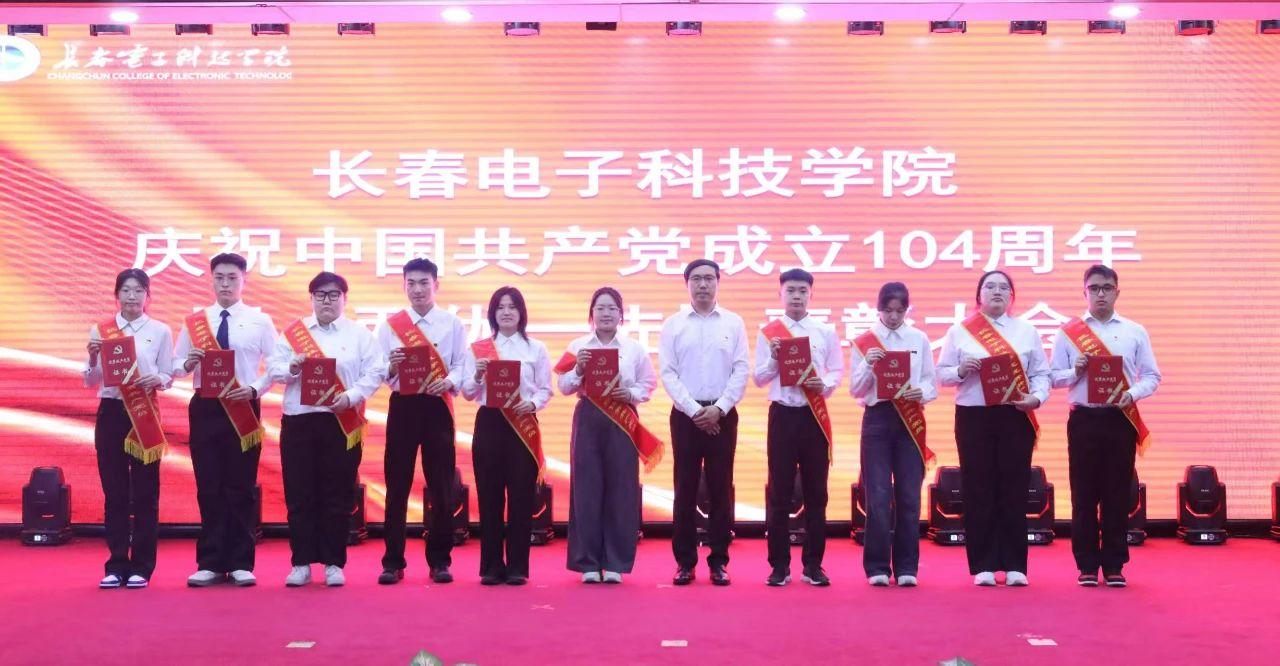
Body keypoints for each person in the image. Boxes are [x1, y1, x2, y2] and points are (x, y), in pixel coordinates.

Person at [268, 272, 385, 587]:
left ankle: (334, 562)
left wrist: (351, 396)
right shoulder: (294, 333)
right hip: (300, 420)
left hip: (341, 422)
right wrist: (292, 368)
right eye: (320, 295)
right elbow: (274, 370)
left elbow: (375, 371)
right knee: (299, 493)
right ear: (312, 298)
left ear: (344, 299)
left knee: (338, 493)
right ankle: (301, 562)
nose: (327, 300)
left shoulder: (359, 335)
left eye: (334, 295)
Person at [1050, 265, 1161, 588]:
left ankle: (1114, 565)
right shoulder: (1068, 332)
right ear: (1084, 292)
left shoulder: (1134, 331)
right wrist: (1075, 371)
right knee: (1083, 495)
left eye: (1107, 288)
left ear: (1117, 292)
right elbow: (1053, 377)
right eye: (1094, 288)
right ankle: (1086, 565)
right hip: (1083, 419)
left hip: (1119, 418)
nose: (1101, 294)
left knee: (1117, 494)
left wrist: (1131, 394)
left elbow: (1151, 376)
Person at [937, 270, 1050, 587]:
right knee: (978, 488)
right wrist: (961, 370)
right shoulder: (960, 331)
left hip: (1015, 414)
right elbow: (942, 374)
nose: (997, 291)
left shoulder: (1026, 331)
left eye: (1003, 287)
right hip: (973, 416)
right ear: (979, 295)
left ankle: (1015, 565)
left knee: (1014, 488)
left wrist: (1036, 398)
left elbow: (1041, 374)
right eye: (990, 286)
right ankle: (983, 564)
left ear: (1012, 296)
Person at [174, 252, 278, 588]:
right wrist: (188, 364)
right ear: (211, 279)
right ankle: (210, 562)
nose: (225, 284)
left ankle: (241, 561)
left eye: (232, 278)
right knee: (209, 486)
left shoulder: (259, 320)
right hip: (205, 407)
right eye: (219, 277)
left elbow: (276, 365)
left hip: (242, 406)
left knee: (241, 485)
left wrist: (254, 389)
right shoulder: (196, 321)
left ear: (244, 279)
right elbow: (175, 365)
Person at [555, 287, 660, 584]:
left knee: (622, 489)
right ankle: (587, 562)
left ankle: (615, 562)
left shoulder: (633, 348)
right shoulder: (578, 346)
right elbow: (563, 386)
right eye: (600, 308)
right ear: (591, 314)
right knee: (586, 489)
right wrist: (579, 369)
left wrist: (631, 393)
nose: (606, 313)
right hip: (588, 417)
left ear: (621, 315)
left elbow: (648, 384)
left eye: (612, 308)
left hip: (622, 419)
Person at [373, 258, 467, 586]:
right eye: (411, 283)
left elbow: (462, 365)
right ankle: (392, 562)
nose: (417, 289)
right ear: (404, 286)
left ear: (436, 285)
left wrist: (448, 381)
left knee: (441, 486)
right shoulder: (390, 326)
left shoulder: (452, 324)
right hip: (403, 406)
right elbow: (377, 370)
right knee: (397, 485)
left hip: (437, 405)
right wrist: (391, 366)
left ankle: (440, 560)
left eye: (424, 282)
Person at [659, 259, 750, 586]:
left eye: (709, 278)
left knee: (720, 489)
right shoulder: (673, 324)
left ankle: (719, 561)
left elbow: (741, 369)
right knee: (684, 489)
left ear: (717, 282)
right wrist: (694, 410)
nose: (703, 285)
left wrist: (719, 409)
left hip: (722, 415)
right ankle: (685, 562)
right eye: (696, 279)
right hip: (686, 417)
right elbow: (668, 372)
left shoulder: (733, 323)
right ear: (687, 284)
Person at [753, 268, 843, 587]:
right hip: (782, 416)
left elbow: (836, 371)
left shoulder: (824, 332)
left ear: (810, 294)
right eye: (790, 290)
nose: (796, 296)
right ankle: (779, 566)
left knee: (817, 494)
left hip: (813, 416)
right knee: (779, 493)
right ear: (780, 294)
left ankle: (813, 565)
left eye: (802, 291)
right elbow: (759, 378)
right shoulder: (769, 333)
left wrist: (824, 384)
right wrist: (773, 359)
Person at [84, 268, 173, 589]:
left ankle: (142, 566)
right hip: (111, 412)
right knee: (115, 491)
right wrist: (92, 358)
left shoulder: (160, 330)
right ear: (116, 295)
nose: (132, 296)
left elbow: (168, 374)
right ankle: (116, 563)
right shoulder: (102, 330)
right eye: (126, 290)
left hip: (144, 412)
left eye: (138, 290)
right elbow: (91, 381)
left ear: (148, 296)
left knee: (147, 493)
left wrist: (158, 379)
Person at [461, 286, 552, 586]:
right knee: (489, 496)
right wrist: (477, 375)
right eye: (500, 307)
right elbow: (467, 392)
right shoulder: (479, 349)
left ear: (521, 312)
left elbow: (545, 389)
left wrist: (532, 404)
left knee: (521, 497)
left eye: (512, 306)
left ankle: (517, 567)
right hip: (490, 422)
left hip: (522, 423)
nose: (506, 312)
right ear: (492, 314)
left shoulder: (535, 349)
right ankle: (490, 566)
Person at [849, 282, 937, 587]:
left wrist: (920, 391)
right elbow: (855, 390)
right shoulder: (865, 342)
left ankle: (907, 567)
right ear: (879, 309)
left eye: (900, 310)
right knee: (878, 496)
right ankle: (877, 567)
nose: (894, 316)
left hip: (909, 420)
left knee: (909, 496)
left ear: (907, 309)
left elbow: (931, 383)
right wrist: (868, 365)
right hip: (877, 419)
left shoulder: (918, 338)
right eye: (888, 310)